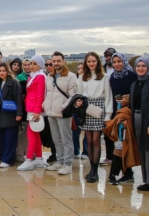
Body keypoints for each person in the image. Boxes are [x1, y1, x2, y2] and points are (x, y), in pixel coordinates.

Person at [75, 52, 113, 183]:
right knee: (89, 140)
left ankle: (95, 170)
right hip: (86, 107)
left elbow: (108, 96)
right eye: (89, 61)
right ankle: (91, 168)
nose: (91, 64)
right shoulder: (81, 77)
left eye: (93, 61)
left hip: (98, 108)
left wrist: (108, 114)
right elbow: (78, 94)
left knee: (96, 140)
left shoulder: (104, 77)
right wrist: (78, 103)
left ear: (97, 62)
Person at [43, 52, 78, 175]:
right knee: (56, 139)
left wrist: (64, 107)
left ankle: (67, 164)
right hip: (51, 112)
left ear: (63, 61)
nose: (56, 63)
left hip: (63, 113)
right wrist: (46, 105)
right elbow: (48, 94)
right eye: (54, 61)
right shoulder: (50, 76)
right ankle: (60, 160)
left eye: (58, 61)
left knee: (66, 139)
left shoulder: (71, 76)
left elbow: (73, 96)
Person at [130, 56, 149, 192]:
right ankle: (146, 180)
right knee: (142, 148)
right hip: (136, 117)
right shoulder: (135, 84)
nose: (140, 69)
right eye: (138, 66)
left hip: (148, 119)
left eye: (143, 66)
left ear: (147, 67)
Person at [107, 52, 138, 181]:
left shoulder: (132, 76)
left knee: (122, 142)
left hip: (128, 113)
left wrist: (128, 101)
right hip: (117, 112)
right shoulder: (113, 77)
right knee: (120, 142)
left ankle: (115, 173)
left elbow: (138, 94)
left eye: (119, 61)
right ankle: (127, 172)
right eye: (114, 62)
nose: (117, 64)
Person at [0, 63, 23, 168]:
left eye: (4, 70)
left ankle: (8, 159)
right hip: (0, 115)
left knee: (10, 138)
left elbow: (18, 99)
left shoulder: (14, 83)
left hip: (11, 115)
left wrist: (19, 114)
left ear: (8, 71)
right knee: (2, 138)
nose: (2, 73)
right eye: (0, 71)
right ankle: (4, 157)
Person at [17, 55, 46, 171]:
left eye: (34, 64)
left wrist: (38, 111)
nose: (31, 66)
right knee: (36, 134)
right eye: (31, 63)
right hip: (30, 107)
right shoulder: (32, 77)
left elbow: (40, 95)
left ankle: (29, 159)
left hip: (35, 109)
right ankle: (38, 157)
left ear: (40, 65)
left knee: (31, 135)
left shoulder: (40, 77)